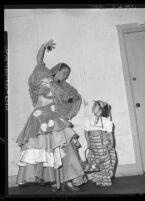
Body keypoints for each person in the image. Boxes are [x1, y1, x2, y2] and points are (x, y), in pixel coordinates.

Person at [16, 40, 87, 192]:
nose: (66, 76)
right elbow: (39, 60)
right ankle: (56, 181)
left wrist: (68, 110)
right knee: (48, 152)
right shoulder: (43, 78)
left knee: (66, 150)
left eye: (68, 75)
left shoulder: (64, 88)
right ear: (56, 70)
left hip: (57, 123)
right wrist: (42, 46)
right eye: (64, 72)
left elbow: (74, 98)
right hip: (42, 122)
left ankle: (70, 180)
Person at [84, 100, 117, 187]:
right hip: (94, 146)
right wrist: (88, 142)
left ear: (102, 111)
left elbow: (110, 134)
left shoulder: (107, 122)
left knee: (104, 162)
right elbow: (86, 132)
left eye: (98, 109)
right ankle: (99, 180)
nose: (95, 111)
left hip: (103, 145)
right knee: (96, 163)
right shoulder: (89, 121)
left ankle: (106, 180)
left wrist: (112, 143)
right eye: (94, 108)